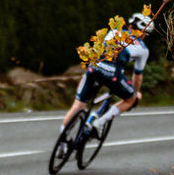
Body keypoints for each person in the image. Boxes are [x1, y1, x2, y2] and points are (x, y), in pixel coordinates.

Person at [57, 12, 153, 156]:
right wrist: (135, 91)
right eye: (147, 34)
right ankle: (99, 123)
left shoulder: (114, 31)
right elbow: (137, 76)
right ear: (143, 32)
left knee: (78, 106)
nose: (146, 37)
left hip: (93, 69)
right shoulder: (143, 49)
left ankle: (61, 144)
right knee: (130, 98)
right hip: (113, 76)